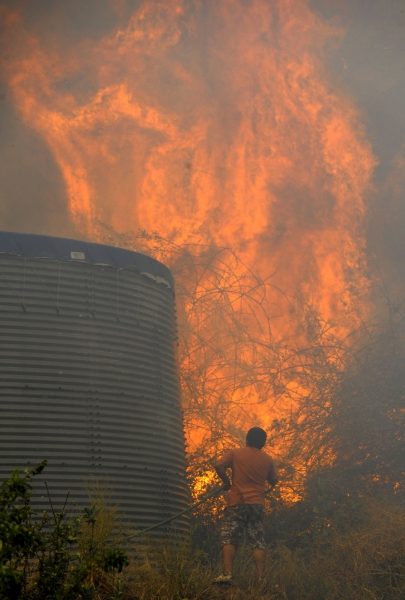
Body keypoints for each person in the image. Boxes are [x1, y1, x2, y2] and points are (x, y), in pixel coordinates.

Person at [213, 427, 278, 585]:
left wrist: (226, 482)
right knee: (257, 540)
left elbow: (219, 465)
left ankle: (227, 575)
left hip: (237, 502)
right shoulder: (268, 459)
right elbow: (274, 480)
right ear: (263, 443)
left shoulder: (235, 453)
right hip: (257, 505)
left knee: (229, 537)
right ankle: (261, 578)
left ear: (247, 439)